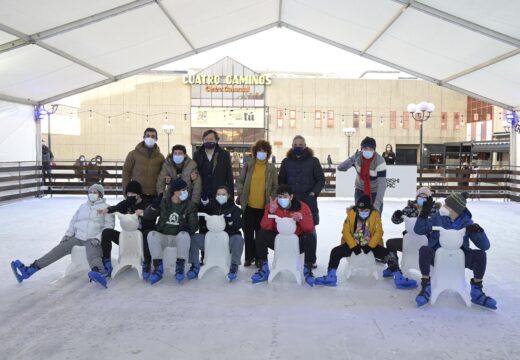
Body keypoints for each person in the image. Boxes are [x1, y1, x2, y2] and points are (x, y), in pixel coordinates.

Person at [11, 184, 115, 284]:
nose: (92, 194)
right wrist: (68, 234)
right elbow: (73, 222)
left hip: (93, 238)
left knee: (93, 255)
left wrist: (98, 238)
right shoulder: (82, 206)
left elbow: (108, 227)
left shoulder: (106, 208)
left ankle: (99, 273)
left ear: (100, 194)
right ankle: (29, 270)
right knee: (56, 251)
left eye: (95, 192)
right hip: (78, 237)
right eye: (90, 192)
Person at [413, 192, 497, 309]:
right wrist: (423, 214)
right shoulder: (438, 217)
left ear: (455, 209)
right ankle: (426, 286)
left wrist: (478, 231)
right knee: (424, 250)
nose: (443, 206)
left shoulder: (467, 222)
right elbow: (419, 230)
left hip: (460, 258)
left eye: (446, 205)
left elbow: (485, 246)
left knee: (480, 255)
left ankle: (476, 291)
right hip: (437, 255)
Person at [314, 195, 416, 289]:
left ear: (370, 208)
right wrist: (353, 246)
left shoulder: (375, 215)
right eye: (360, 209)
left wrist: (370, 246)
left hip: (370, 244)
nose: (362, 211)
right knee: (335, 252)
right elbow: (345, 231)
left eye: (365, 210)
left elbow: (379, 231)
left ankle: (398, 277)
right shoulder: (351, 214)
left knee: (389, 254)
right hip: (354, 244)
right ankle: (331, 276)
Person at [251, 184, 317, 287]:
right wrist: (270, 212)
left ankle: (308, 269)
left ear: (291, 197)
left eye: (285, 197)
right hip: (279, 241)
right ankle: (263, 267)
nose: (282, 199)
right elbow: (265, 226)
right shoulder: (273, 206)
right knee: (261, 234)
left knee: (311, 237)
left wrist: (301, 218)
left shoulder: (302, 207)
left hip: (296, 242)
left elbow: (309, 228)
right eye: (280, 197)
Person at [96, 180, 156, 285]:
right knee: (106, 232)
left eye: (133, 194)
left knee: (148, 233)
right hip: (128, 239)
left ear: (139, 194)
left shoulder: (147, 203)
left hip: (141, 239)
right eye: (128, 194)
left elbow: (152, 216)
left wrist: (143, 214)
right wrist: (107, 210)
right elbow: (117, 208)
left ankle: (146, 263)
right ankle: (107, 264)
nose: (130, 196)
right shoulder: (127, 203)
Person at [143, 178, 199, 285]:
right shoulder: (164, 203)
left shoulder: (190, 205)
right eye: (183, 190)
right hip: (163, 235)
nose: (185, 192)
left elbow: (194, 224)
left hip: (178, 237)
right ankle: (158, 267)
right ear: (175, 191)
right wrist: (153, 207)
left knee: (184, 235)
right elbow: (147, 216)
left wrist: (188, 228)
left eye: (186, 189)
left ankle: (180, 266)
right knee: (151, 235)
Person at [235, 140, 278, 267]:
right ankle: (249, 257)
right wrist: (242, 194)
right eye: (259, 150)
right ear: (255, 152)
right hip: (248, 206)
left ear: (268, 153)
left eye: (264, 151)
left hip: (264, 207)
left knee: (261, 234)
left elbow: (276, 186)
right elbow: (240, 181)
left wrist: (272, 198)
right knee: (248, 233)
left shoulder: (271, 168)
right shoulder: (248, 165)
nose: (261, 153)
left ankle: (261, 258)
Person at [188, 185, 244, 281]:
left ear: (229, 195)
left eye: (223, 194)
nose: (221, 196)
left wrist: (230, 221)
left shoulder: (234, 208)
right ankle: (195, 265)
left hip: (227, 241)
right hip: (211, 240)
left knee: (239, 239)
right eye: (218, 194)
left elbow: (238, 225)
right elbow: (203, 212)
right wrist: (204, 202)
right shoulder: (211, 205)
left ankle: (234, 265)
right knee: (194, 238)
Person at [384, 186, 440, 276]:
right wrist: (396, 215)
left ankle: (430, 272)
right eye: (419, 197)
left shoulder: (434, 210)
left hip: (425, 243)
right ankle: (394, 267)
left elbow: (438, 226)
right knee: (390, 243)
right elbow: (396, 221)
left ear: (428, 199)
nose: (421, 199)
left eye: (424, 197)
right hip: (409, 241)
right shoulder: (410, 208)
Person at [278, 135, 325, 228]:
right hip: (290, 202)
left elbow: (320, 179)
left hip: (308, 201)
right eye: (295, 145)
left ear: (305, 146)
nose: (298, 147)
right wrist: (285, 195)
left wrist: (313, 193)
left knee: (309, 230)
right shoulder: (286, 162)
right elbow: (281, 180)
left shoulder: (313, 161)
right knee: (290, 230)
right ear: (292, 146)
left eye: (300, 144)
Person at [337, 136, 387, 214]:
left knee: (375, 219)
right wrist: (352, 159)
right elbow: (340, 168)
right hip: (360, 190)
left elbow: (382, 185)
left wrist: (376, 205)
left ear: (374, 150)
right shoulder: (357, 158)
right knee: (359, 217)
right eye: (365, 148)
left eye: (370, 149)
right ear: (361, 149)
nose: (368, 151)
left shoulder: (380, 161)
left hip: (375, 192)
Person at [123, 128, 165, 200]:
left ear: (156, 139)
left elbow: (163, 175)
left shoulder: (160, 157)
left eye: (153, 136)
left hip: (154, 195)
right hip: (136, 194)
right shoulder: (133, 154)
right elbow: (126, 173)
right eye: (147, 136)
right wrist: (126, 191)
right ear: (144, 137)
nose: (150, 138)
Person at [193, 129, 234, 200]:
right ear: (203, 140)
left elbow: (229, 176)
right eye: (206, 139)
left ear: (216, 140)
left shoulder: (224, 154)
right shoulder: (197, 154)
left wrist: (231, 196)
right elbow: (194, 172)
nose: (208, 141)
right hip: (202, 194)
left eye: (211, 139)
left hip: (219, 194)